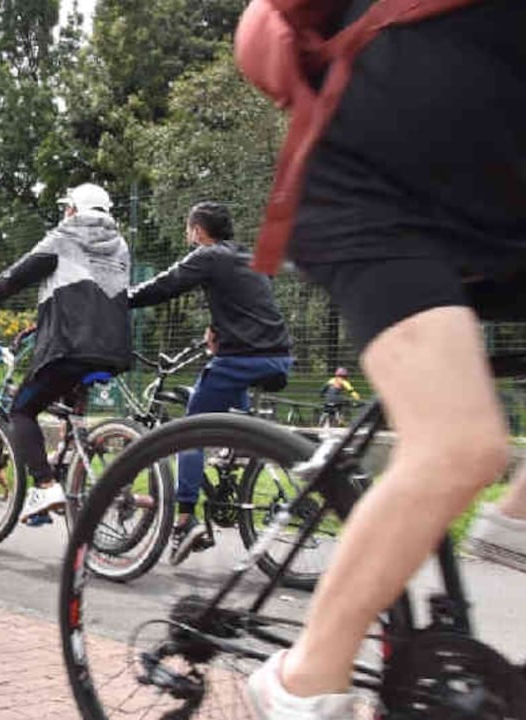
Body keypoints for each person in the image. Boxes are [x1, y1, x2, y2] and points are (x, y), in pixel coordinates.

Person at [233, 2, 526, 717]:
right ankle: (301, 679)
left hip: (494, 212)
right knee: (459, 443)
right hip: (367, 199)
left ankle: (515, 521)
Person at [128, 201, 293, 564]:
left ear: (198, 231)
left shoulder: (207, 255)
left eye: (189, 231)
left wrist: (119, 301)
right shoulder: (247, 256)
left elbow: (165, 285)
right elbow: (249, 302)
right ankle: (241, 452)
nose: (189, 237)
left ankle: (186, 520)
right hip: (277, 356)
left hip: (242, 358)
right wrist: (218, 329)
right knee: (227, 410)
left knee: (191, 428)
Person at [0, 183, 133, 522]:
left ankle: (45, 485)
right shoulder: (120, 246)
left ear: (73, 209)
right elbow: (92, 297)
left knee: (22, 410)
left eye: (65, 208)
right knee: (70, 415)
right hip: (113, 350)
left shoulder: (65, 235)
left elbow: (18, 274)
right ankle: (71, 476)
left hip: (69, 348)